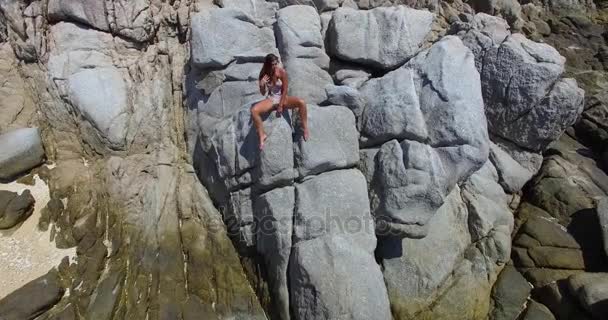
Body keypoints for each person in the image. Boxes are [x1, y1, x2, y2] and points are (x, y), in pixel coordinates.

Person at [251, 54, 309, 150]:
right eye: (272, 64)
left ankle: (305, 127)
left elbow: (285, 90)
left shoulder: (281, 72)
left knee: (302, 102)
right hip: (271, 99)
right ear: (267, 64)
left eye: (276, 63)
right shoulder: (264, 73)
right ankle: (262, 135)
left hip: (282, 98)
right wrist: (261, 85)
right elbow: (263, 93)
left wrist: (281, 105)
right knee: (254, 110)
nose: (275, 66)